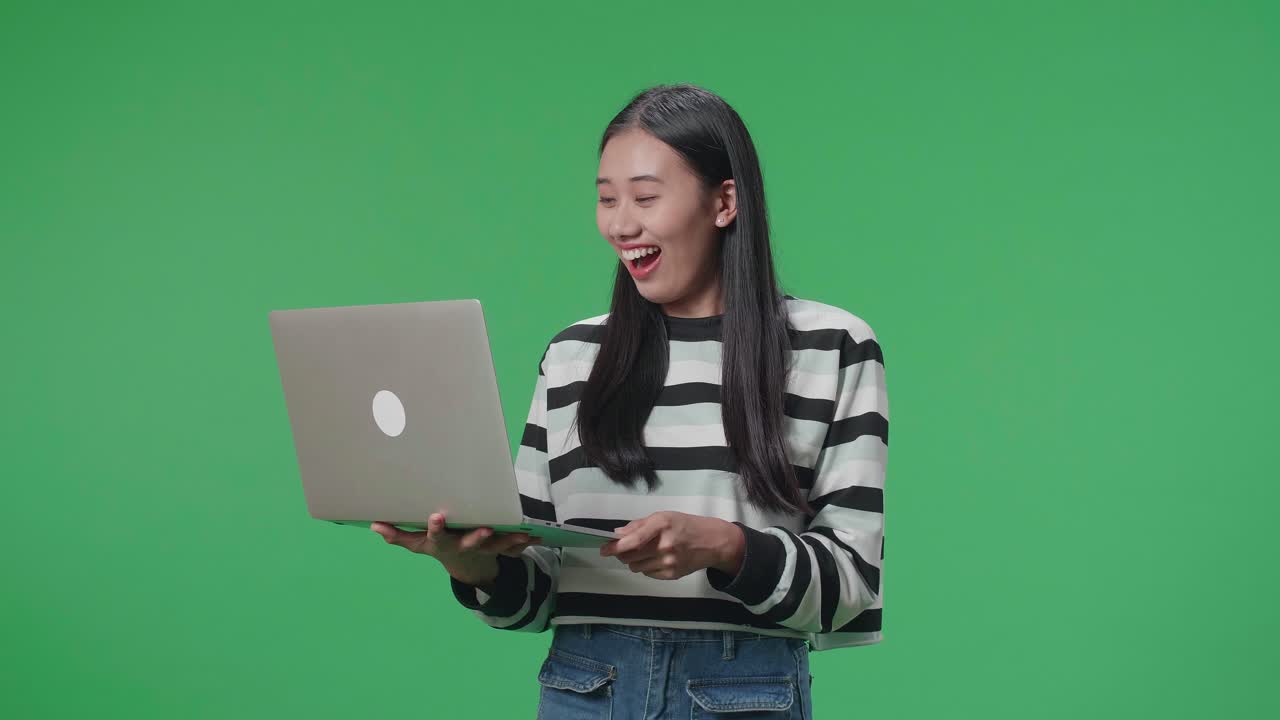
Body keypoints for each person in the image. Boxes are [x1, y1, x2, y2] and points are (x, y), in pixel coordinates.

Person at [370, 82, 889, 719]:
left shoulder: (831, 345)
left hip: (741, 696)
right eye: (606, 199)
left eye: (645, 197)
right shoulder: (572, 356)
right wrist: (471, 563)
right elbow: (536, 590)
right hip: (582, 688)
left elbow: (852, 587)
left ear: (725, 201)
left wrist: (726, 546)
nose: (621, 224)